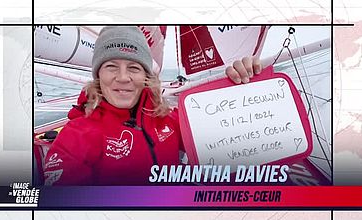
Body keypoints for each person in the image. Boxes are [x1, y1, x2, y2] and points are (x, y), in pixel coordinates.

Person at [43, 26, 262, 185]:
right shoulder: (75, 136)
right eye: (111, 66)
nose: (122, 77)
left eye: (134, 68)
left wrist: (242, 88)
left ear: (147, 75)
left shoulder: (169, 119)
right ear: (98, 74)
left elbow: (228, 140)